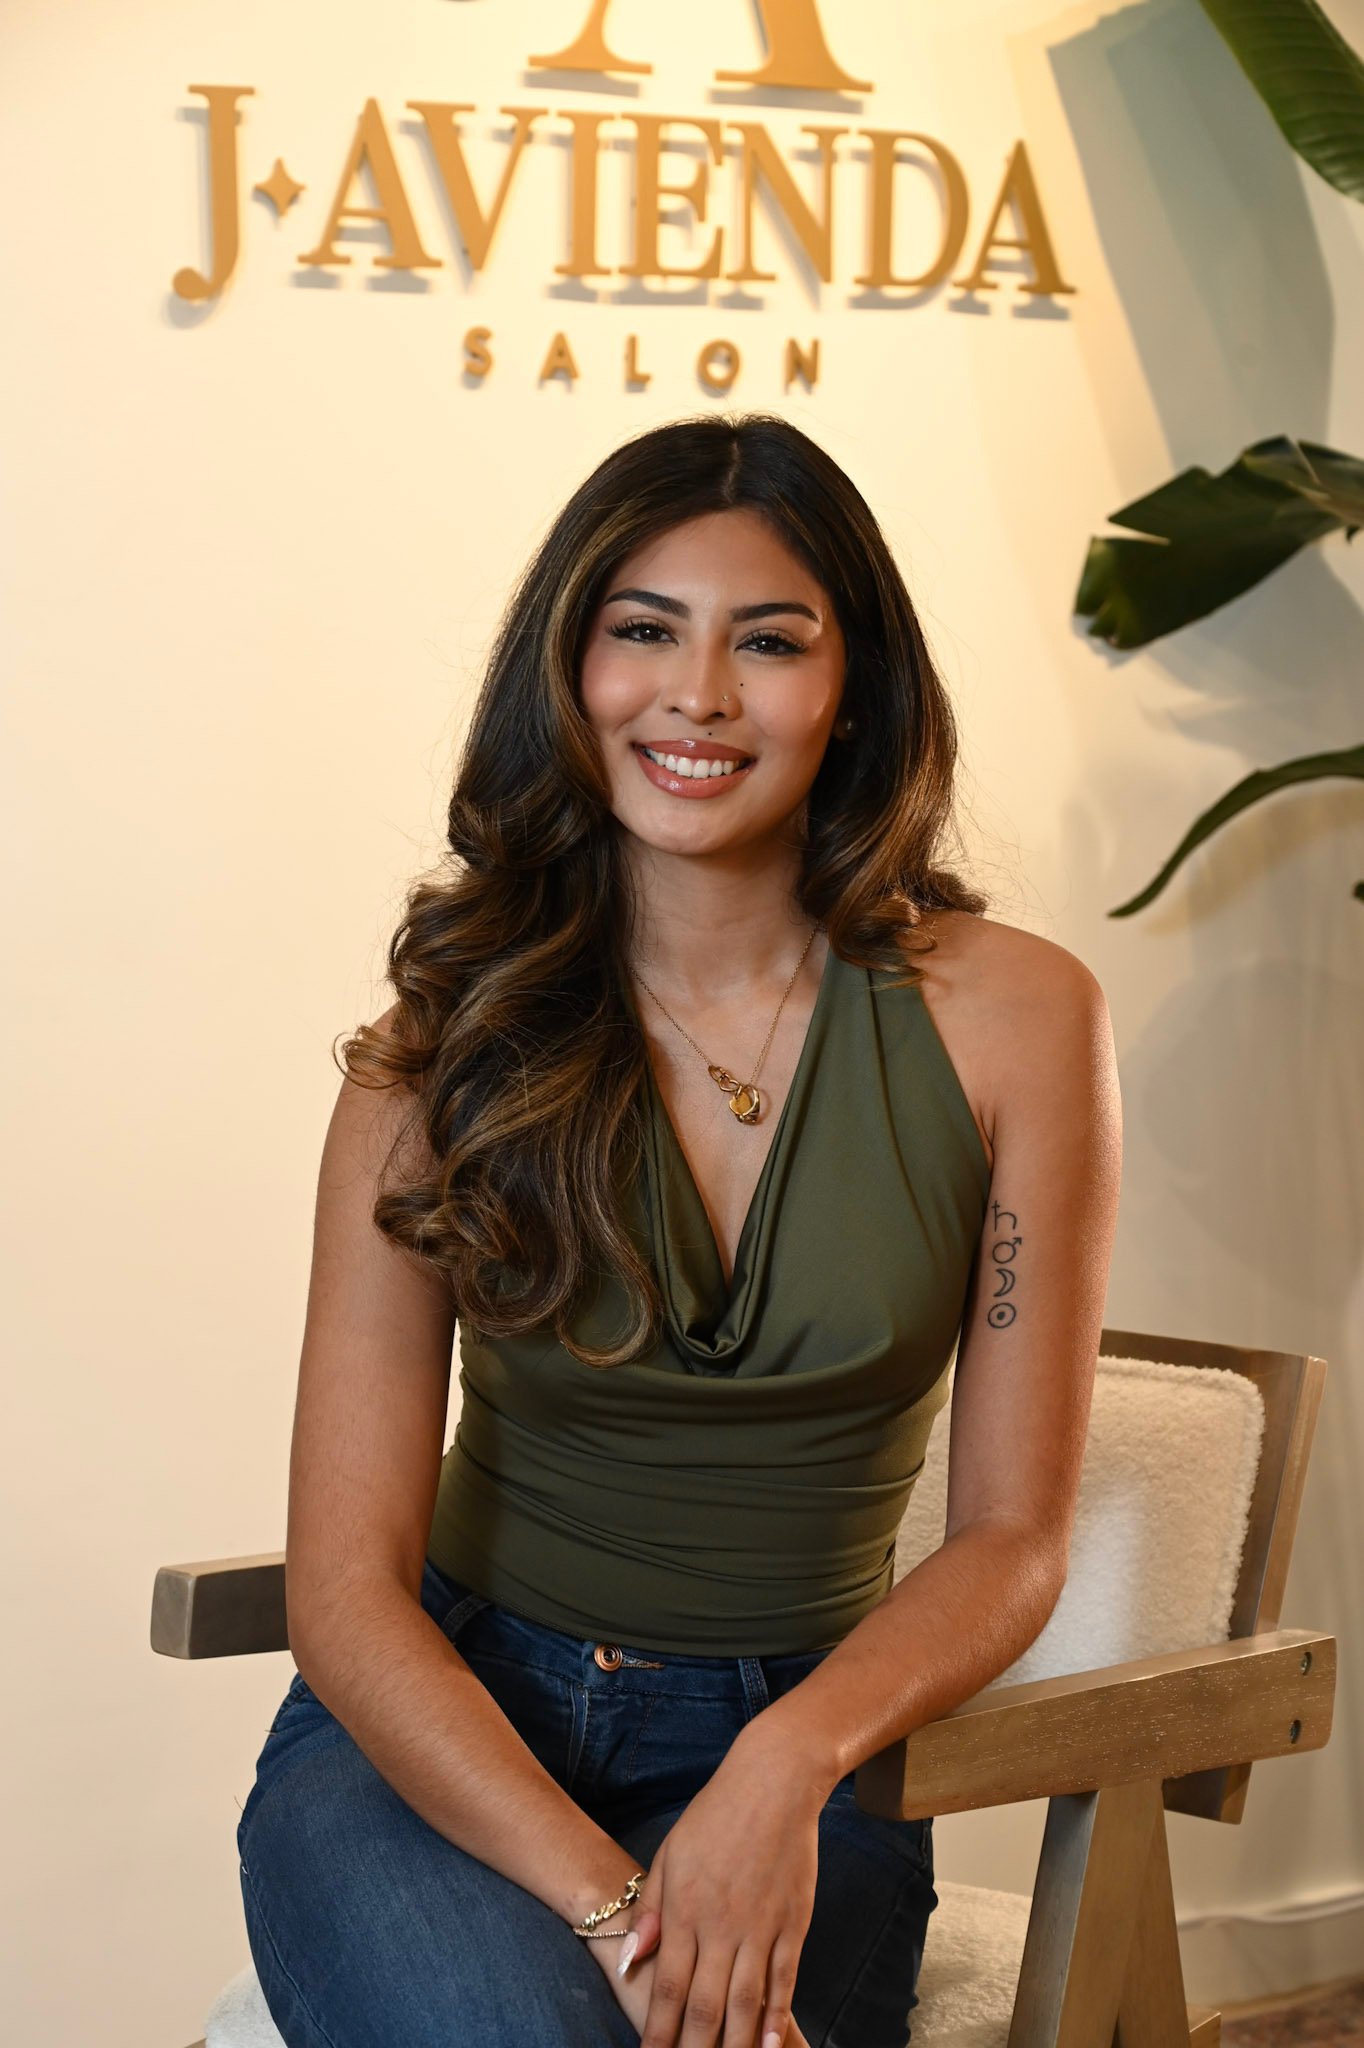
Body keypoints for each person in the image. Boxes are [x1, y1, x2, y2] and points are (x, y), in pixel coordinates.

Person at [234, 411, 1122, 2048]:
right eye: (643, 631)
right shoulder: (442, 1043)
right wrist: (613, 1907)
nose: (699, 697)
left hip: (811, 1736)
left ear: (852, 686)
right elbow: (347, 1593)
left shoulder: (1020, 1024)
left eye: (768, 642)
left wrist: (786, 1767)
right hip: (442, 1728)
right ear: (570, 672)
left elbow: (1013, 1538)